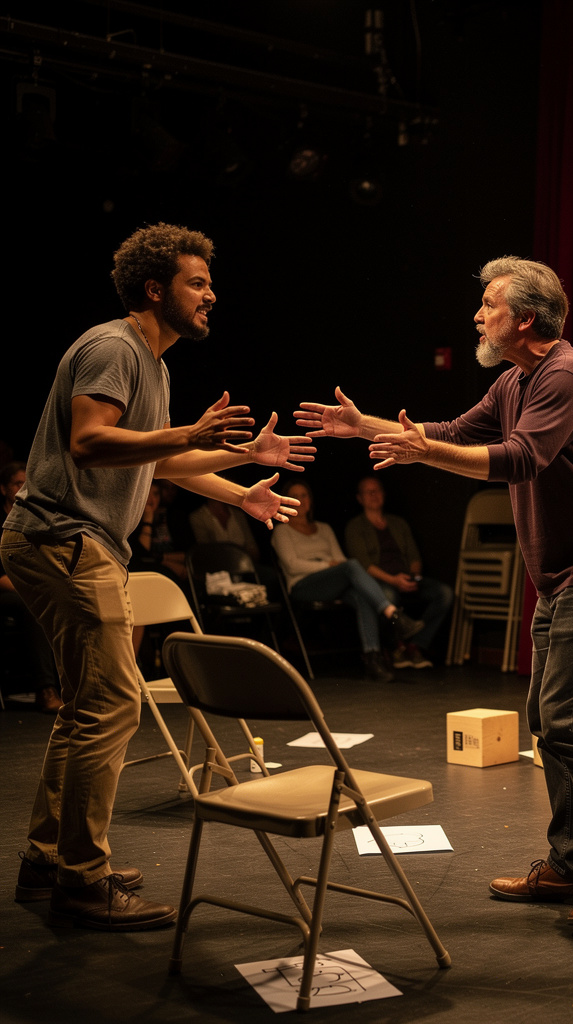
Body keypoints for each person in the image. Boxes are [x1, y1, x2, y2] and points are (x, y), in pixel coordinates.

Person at [296, 256, 573, 927]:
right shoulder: (516, 381)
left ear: (526, 318)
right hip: (565, 574)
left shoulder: (567, 375)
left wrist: (421, 453)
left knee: (568, 720)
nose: (477, 315)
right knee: (548, 722)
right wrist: (367, 426)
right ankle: (570, 863)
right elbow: (456, 433)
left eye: (489, 304)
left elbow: (520, 458)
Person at [1, 222, 314, 930]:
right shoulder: (114, 348)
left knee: (89, 707)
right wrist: (187, 434)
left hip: (69, 542)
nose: (211, 295)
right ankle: (82, 881)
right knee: (114, 704)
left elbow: (159, 460)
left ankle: (49, 862)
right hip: (64, 538)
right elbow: (89, 442)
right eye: (196, 283)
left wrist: (242, 480)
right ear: (154, 289)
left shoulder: (155, 366)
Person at [271, 479, 423, 683]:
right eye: (294, 496)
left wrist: (335, 566)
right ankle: (394, 615)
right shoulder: (282, 531)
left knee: (361, 595)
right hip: (303, 585)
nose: (300, 500)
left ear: (311, 500)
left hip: (333, 581)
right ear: (286, 501)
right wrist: (328, 565)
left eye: (304, 495)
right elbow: (292, 566)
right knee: (351, 566)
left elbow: (340, 559)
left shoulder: (324, 528)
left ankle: (372, 658)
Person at [345, 475, 453, 668]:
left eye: (377, 490)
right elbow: (364, 565)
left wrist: (413, 578)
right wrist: (394, 580)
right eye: (368, 492)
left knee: (444, 593)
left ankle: (415, 645)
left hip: (405, 578)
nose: (374, 495)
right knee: (388, 597)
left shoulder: (398, 523)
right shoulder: (355, 527)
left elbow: (414, 556)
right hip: (380, 580)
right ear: (360, 498)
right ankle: (396, 647)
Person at [1, 461, 61, 712]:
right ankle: (46, 690)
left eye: (27, 483)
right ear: (3, 488)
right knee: (34, 606)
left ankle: (76, 686)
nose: (23, 488)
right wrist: (35, 590)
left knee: (67, 600)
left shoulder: (35, 519)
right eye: (17, 483)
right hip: (6, 588)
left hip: (31, 586)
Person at [188, 496, 261, 563]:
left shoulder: (238, 514)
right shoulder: (198, 517)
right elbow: (205, 551)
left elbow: (252, 547)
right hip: (217, 566)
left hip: (245, 564)